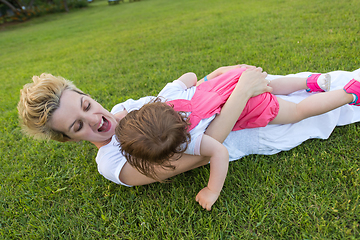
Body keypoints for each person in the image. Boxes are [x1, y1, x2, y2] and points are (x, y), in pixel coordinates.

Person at [17, 65, 360, 210]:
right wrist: (239, 92)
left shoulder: (127, 109)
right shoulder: (114, 164)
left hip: (232, 103)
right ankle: (347, 95)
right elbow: (201, 154)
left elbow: (185, 93)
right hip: (246, 129)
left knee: (294, 89)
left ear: (86, 94)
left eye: (87, 104)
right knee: (312, 114)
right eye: (78, 126)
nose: (96, 119)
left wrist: (223, 78)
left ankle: (338, 87)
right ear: (70, 139)